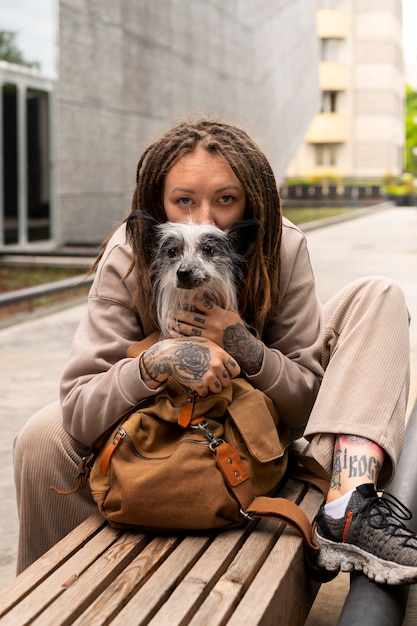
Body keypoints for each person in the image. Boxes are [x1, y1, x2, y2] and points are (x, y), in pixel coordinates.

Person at [14, 119, 417, 585]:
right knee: (42, 436)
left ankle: (349, 506)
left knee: (380, 295)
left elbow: (309, 404)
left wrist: (242, 344)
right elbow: (81, 409)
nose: (204, 219)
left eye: (225, 199)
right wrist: (157, 360)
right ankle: (45, 595)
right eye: (184, 200)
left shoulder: (280, 244)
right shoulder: (130, 252)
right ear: (158, 203)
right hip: (156, 438)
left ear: (251, 200)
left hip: (268, 431)